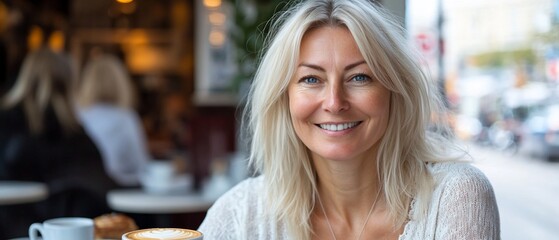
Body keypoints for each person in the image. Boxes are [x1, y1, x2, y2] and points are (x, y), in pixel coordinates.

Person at [198, 0, 500, 239]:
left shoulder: (456, 199)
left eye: (359, 77)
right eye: (311, 79)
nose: (334, 102)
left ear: (395, 91)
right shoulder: (239, 214)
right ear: (284, 98)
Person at [0, 47, 117, 238]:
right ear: (68, 83)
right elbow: (100, 184)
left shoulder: (6, 124)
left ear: (24, 76)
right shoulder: (76, 134)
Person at [76, 53, 150, 187]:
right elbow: (141, 165)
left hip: (83, 192)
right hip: (115, 191)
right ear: (121, 83)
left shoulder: (77, 115)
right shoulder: (126, 117)